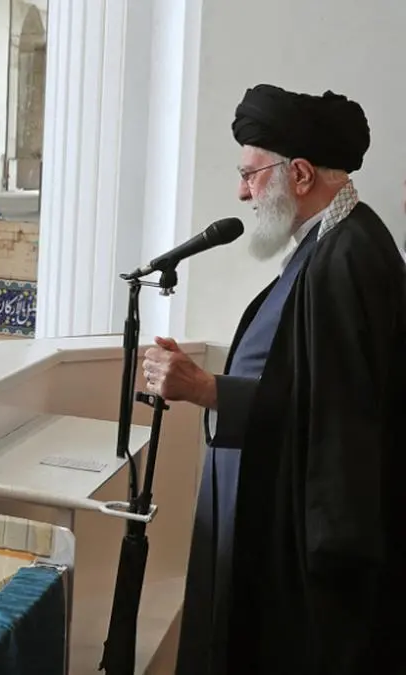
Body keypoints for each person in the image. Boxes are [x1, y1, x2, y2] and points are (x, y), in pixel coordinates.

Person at [142, 84, 406, 675]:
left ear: (301, 174)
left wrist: (207, 389)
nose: (243, 192)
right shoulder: (330, 243)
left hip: (307, 552)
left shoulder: (348, 256)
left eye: (250, 174)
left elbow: (338, 418)